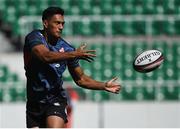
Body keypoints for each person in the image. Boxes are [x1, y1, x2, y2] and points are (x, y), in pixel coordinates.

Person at [23, 6, 121, 128]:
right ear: (45, 23)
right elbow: (45, 56)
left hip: (55, 99)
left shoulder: (67, 48)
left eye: (63, 23)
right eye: (57, 23)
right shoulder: (34, 37)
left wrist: (104, 85)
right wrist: (74, 54)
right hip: (34, 102)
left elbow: (81, 79)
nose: (61, 27)